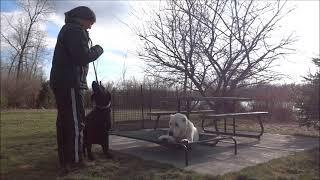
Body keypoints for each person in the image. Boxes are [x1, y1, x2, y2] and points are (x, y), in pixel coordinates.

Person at [49, 6, 103, 173]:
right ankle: (75, 161)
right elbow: (81, 57)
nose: (90, 27)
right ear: (82, 18)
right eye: (90, 23)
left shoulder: (67, 29)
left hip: (62, 82)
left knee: (65, 122)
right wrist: (97, 49)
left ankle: (65, 160)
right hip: (70, 82)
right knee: (75, 122)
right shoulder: (74, 30)